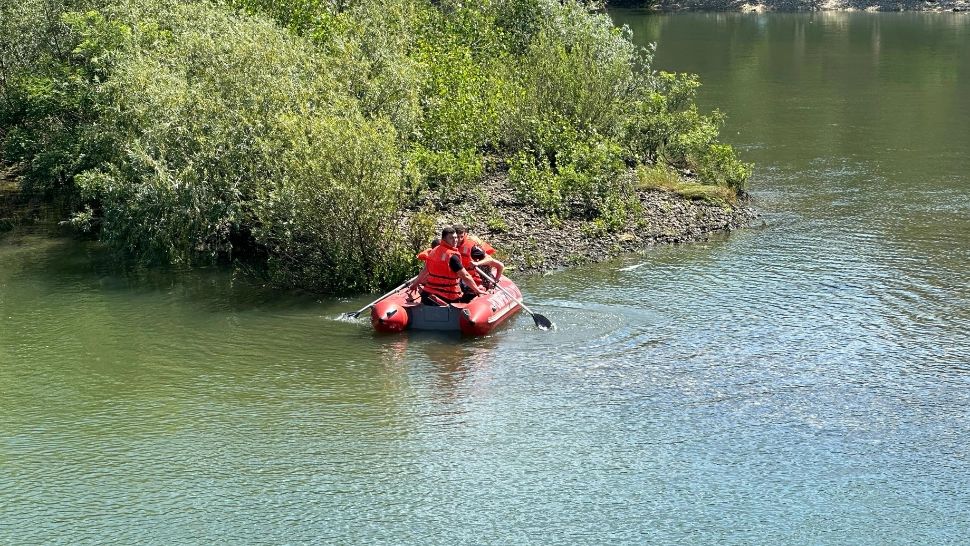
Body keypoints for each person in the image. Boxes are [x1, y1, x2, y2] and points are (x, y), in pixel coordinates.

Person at [414, 226, 484, 306]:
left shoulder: (433, 251)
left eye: (455, 238)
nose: (455, 240)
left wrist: (415, 284)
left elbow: (425, 270)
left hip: (427, 294)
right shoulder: (452, 257)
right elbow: (465, 275)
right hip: (447, 297)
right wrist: (477, 289)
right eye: (451, 238)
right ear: (443, 239)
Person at [453, 223, 502, 290]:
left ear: (464, 235)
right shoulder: (447, 245)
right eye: (456, 237)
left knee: (484, 265)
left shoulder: (471, 247)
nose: (458, 240)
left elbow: (499, 265)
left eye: (461, 237)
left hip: (472, 274)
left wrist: (477, 263)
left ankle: (486, 285)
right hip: (459, 276)